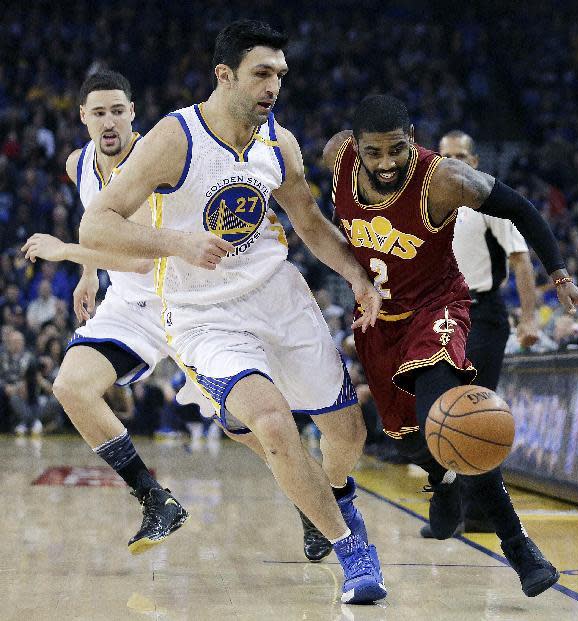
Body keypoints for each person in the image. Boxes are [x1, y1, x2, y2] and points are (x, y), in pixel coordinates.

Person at [79, 21, 386, 605]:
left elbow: (311, 224)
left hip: (281, 297)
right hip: (202, 313)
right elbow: (97, 223)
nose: (274, 85)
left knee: (345, 435)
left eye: (280, 75)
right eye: (261, 74)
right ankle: (352, 548)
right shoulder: (174, 137)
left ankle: (335, 495)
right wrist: (179, 244)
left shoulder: (280, 140)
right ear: (225, 76)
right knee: (274, 424)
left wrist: (357, 277)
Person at [323, 94, 578, 598]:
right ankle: (443, 477)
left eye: (397, 149)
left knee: (451, 418)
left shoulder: (445, 179)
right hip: (377, 320)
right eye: (375, 152)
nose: (387, 163)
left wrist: (560, 277)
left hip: (438, 307)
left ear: (413, 140)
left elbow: (520, 208)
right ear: (356, 148)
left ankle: (520, 548)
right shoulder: (335, 157)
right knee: (409, 440)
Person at [23, 69, 190, 555]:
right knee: (70, 387)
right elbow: (95, 223)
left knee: (240, 424)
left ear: (133, 112)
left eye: (119, 110)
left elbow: (140, 256)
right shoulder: (79, 164)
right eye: (99, 113)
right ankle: (156, 500)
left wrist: (67, 253)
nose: (110, 121)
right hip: (128, 303)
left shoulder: (146, 162)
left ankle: (313, 504)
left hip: (180, 297)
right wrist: (89, 276)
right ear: (83, 118)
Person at [420, 129, 539, 538]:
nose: (451, 161)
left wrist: (530, 319)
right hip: (440, 315)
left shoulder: (490, 205)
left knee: (475, 410)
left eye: (460, 156)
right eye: (444, 155)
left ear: (473, 162)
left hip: (483, 312)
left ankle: (482, 514)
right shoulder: (429, 206)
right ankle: (451, 506)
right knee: (438, 409)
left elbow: (521, 262)